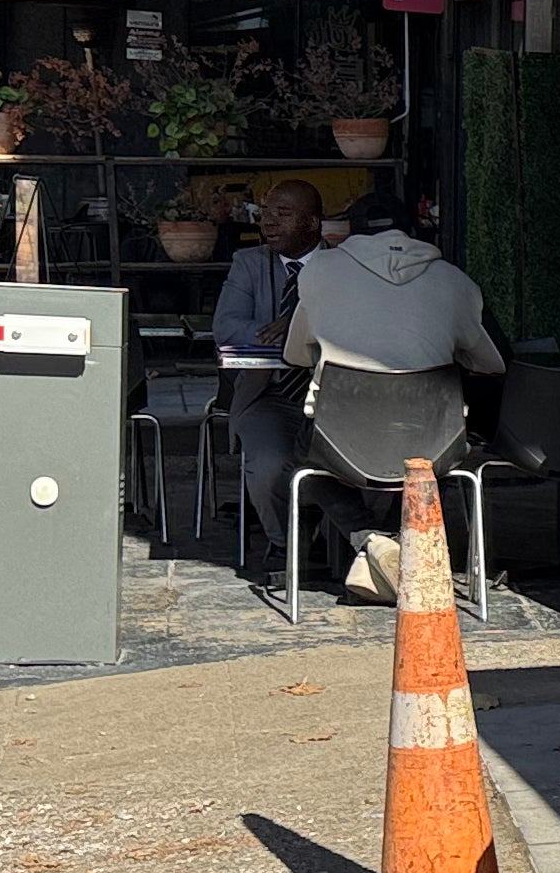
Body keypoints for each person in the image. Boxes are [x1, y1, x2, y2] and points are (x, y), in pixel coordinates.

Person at [277, 191, 503, 597]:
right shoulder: (455, 280)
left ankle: (373, 540)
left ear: (351, 232)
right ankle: (405, 541)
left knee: (303, 459)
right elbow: (491, 364)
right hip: (432, 443)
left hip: (339, 440)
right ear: (414, 230)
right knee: (438, 458)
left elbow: (294, 356)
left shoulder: (319, 271)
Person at [215, 178, 325, 552]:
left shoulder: (341, 266)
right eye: (265, 213)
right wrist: (284, 333)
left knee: (370, 460)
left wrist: (300, 326)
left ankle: (352, 540)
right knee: (267, 465)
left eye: (283, 213)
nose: (269, 222)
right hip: (269, 392)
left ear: (312, 222)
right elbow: (226, 327)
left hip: (335, 394)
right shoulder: (249, 263)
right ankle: (287, 547)